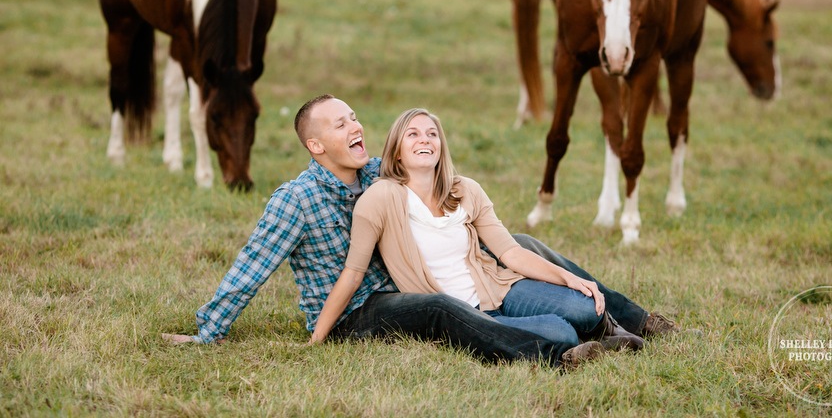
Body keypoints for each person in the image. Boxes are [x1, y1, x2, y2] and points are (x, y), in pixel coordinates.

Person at [163, 95, 677, 368]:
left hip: (408, 281)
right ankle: (556, 353)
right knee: (437, 309)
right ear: (315, 145)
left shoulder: (374, 174)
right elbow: (250, 269)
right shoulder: (294, 201)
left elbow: (425, 170)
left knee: (523, 244)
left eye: (355, 118)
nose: (355, 128)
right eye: (340, 125)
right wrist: (208, 332)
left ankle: (638, 321)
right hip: (356, 310)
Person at [310, 108, 643, 351]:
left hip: (499, 289)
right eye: (413, 134)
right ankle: (577, 341)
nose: (424, 139)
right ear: (397, 151)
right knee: (562, 333)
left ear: (441, 147)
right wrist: (316, 340)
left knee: (583, 307)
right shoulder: (380, 198)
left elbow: (510, 252)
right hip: (462, 312)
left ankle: (607, 330)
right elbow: (353, 273)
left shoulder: (464, 189)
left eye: (431, 134)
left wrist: (569, 278)